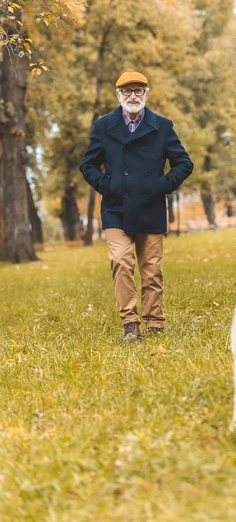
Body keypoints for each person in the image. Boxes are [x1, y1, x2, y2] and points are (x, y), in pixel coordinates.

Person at [80, 71, 194, 342]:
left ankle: (155, 322)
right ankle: (130, 323)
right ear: (118, 95)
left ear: (146, 94)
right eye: (127, 91)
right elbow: (88, 165)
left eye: (139, 91)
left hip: (151, 205)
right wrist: (110, 186)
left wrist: (160, 186)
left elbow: (184, 163)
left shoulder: (163, 126)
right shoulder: (103, 125)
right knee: (120, 260)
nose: (133, 96)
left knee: (151, 268)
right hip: (115, 208)